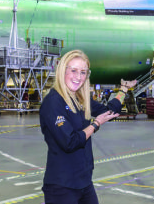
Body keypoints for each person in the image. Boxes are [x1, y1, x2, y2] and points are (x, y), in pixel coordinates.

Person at [39, 50, 136, 204]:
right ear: (63, 70)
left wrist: (123, 90)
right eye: (74, 71)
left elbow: (109, 111)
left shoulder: (80, 99)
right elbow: (69, 142)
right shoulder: (53, 102)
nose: (78, 77)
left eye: (83, 72)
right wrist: (95, 125)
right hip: (62, 186)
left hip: (84, 182)